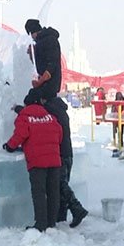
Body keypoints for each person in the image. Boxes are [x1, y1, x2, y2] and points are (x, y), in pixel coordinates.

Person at [14, 92, 88, 228]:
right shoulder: (58, 109)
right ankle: (59, 218)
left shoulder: (49, 111)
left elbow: (34, 114)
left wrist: (19, 109)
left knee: (59, 185)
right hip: (65, 151)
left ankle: (76, 209)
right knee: (58, 186)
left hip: (58, 152)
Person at [3, 88, 62, 232]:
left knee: (39, 193)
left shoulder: (25, 116)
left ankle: (40, 224)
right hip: (54, 160)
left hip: (37, 162)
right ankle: (51, 222)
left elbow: (20, 135)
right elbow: (59, 134)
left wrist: (9, 146)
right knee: (53, 191)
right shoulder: (50, 117)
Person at [25, 19, 62, 100]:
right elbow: (40, 62)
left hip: (50, 83)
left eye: (31, 34)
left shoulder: (49, 40)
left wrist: (42, 79)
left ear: (34, 32)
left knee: (33, 99)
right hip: (46, 82)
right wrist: (32, 54)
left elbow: (52, 62)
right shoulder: (41, 41)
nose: (32, 38)